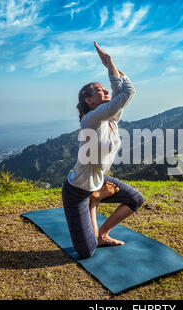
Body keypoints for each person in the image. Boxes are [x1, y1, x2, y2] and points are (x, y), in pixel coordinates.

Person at [62, 41, 144, 259]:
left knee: (136, 200)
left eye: (104, 88)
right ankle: (95, 202)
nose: (105, 90)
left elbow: (119, 90)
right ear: (89, 101)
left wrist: (110, 66)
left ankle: (103, 233)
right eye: (99, 90)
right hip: (77, 191)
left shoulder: (110, 118)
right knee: (87, 252)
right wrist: (109, 61)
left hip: (98, 179)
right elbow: (128, 92)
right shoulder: (92, 118)